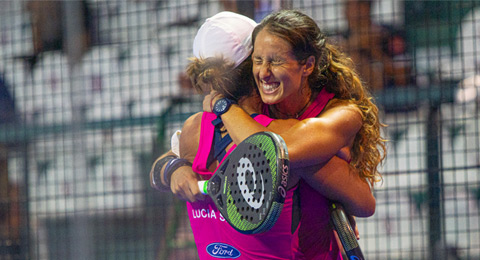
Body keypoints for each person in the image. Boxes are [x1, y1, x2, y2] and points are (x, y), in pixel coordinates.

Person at [150, 11, 376, 259]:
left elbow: (363, 202)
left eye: (275, 59)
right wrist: (174, 167)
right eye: (259, 59)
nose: (265, 71)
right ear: (249, 66)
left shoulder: (338, 114)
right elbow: (362, 200)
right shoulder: (224, 126)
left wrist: (222, 105)